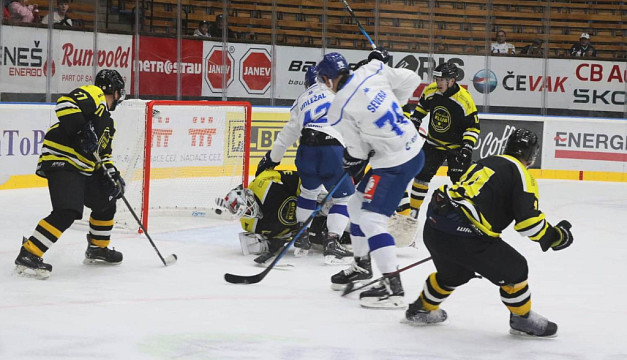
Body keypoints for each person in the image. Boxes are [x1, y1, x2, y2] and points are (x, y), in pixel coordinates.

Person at [404, 128, 574, 337]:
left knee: (454, 274)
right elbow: (529, 223)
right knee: (516, 269)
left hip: (435, 228)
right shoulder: (521, 173)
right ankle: (521, 318)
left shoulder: (486, 161)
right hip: (466, 237)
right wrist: (556, 237)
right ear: (531, 155)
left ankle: (421, 308)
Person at [326, 49, 425, 308]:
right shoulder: (371, 70)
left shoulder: (339, 107)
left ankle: (394, 289)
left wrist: (353, 158)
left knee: (372, 220)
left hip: (395, 162)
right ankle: (362, 265)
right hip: (412, 147)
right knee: (355, 206)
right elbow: (413, 79)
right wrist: (398, 100)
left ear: (328, 80)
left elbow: (358, 151)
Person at [14, 69, 127, 280]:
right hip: (62, 159)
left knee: (107, 199)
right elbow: (65, 104)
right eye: (119, 92)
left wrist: (113, 177)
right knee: (68, 210)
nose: (119, 97)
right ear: (112, 89)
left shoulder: (109, 124)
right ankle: (30, 252)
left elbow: (104, 156)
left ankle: (97, 248)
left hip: (84, 168)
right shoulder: (94, 94)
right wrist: (81, 130)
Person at [255, 66, 354, 265]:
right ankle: (332, 244)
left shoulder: (300, 100)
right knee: (343, 198)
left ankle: (302, 236)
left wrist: (272, 159)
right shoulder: (337, 94)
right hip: (331, 148)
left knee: (308, 192)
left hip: (306, 148)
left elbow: (286, 136)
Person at [403, 62, 480, 223]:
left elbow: (472, 127)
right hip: (433, 143)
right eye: (437, 79)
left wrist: (466, 148)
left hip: (457, 147)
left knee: (459, 181)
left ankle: (464, 217)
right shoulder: (431, 90)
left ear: (452, 81)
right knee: (422, 176)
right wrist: (415, 121)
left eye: (442, 80)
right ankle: (413, 213)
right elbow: (422, 108)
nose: (438, 83)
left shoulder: (464, 100)